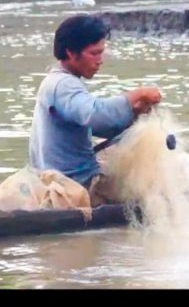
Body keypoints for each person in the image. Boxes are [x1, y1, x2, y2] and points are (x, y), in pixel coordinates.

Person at [28, 14, 162, 205]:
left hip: (61, 179)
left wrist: (134, 112)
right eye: (94, 53)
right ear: (71, 53)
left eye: (101, 53)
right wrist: (137, 95)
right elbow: (95, 115)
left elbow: (100, 127)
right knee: (152, 183)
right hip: (77, 184)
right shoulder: (63, 84)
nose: (100, 60)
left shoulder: (57, 81)